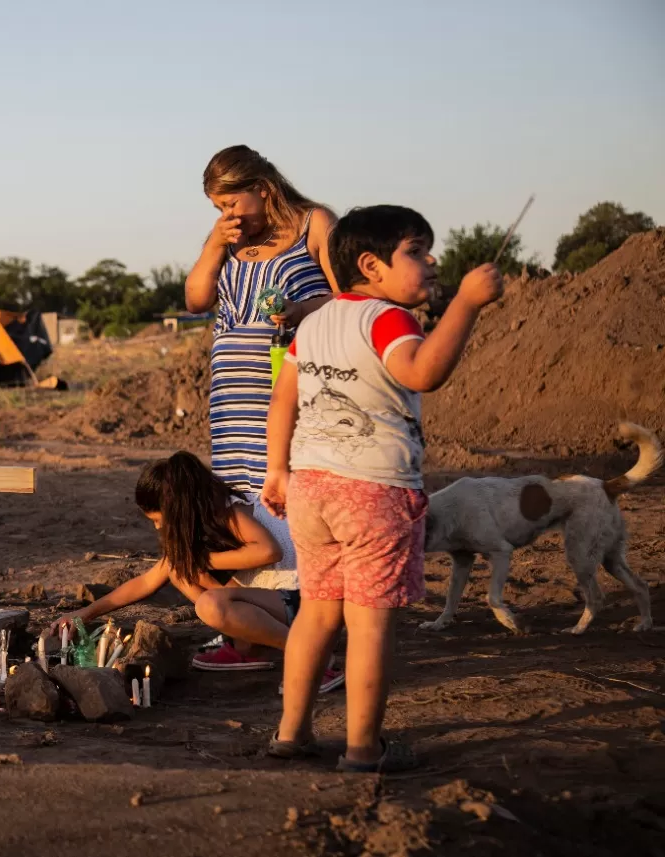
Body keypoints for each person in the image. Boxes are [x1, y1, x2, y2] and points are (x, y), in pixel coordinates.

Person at [261, 205, 503, 773]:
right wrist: (466, 303)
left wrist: (277, 472)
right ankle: (364, 749)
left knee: (317, 615)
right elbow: (422, 374)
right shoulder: (389, 319)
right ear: (371, 265)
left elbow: (283, 400)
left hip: (311, 491)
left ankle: (290, 734)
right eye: (416, 251)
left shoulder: (313, 323)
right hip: (374, 493)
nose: (432, 261)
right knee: (369, 625)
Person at [51, 452, 343, 691]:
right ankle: (250, 647)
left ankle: (312, 656)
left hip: (311, 598)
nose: (157, 528)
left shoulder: (231, 511)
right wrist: (84, 615)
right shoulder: (202, 523)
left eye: (159, 519)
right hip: (279, 599)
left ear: (179, 509)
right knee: (179, 570)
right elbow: (146, 582)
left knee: (209, 603)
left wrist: (203, 561)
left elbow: (269, 551)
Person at [185, 145, 339, 501]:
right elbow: (195, 301)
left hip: (289, 388)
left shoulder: (313, 223)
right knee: (239, 499)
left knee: (290, 488)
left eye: (231, 203)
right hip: (232, 401)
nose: (227, 215)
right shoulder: (227, 238)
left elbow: (349, 298)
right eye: (218, 208)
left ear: (263, 189)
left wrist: (299, 310)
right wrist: (214, 246)